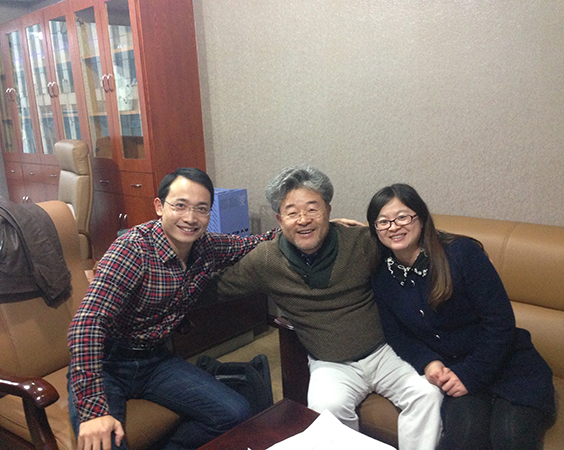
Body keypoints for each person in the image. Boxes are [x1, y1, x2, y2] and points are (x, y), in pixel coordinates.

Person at [214, 165, 443, 450]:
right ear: (279, 219)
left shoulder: (360, 241)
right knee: (325, 411)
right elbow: (220, 287)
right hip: (330, 364)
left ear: (328, 210)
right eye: (292, 212)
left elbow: (417, 242)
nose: (304, 220)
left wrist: (463, 252)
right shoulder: (265, 260)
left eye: (313, 209)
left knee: (428, 393)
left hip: (385, 351)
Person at [67, 167, 278, 450]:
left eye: (201, 209)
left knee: (235, 413)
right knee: (104, 443)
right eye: (180, 205)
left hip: (155, 360)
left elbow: (253, 243)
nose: (190, 218)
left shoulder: (206, 246)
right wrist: (94, 411)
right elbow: (87, 325)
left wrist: (301, 227)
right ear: (159, 206)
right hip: (109, 363)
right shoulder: (132, 250)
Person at [366, 183, 556, 450]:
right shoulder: (381, 274)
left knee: (510, 439)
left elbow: (500, 322)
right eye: (383, 222)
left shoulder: (462, 253)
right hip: (453, 371)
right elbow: (397, 333)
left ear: (421, 217)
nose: (393, 227)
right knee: (463, 440)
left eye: (402, 217)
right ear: (375, 229)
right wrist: (428, 362)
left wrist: (470, 375)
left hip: (508, 365)